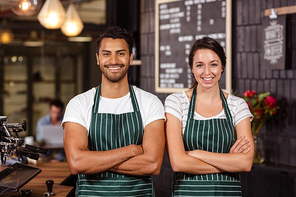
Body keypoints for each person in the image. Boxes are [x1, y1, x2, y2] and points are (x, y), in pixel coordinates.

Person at [62, 26, 165, 196]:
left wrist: (94, 162)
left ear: (131, 58)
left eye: (121, 53)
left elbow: (152, 164)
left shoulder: (150, 103)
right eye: (106, 53)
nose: (113, 60)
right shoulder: (79, 104)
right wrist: (131, 151)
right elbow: (77, 164)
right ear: (98, 58)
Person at [164, 37, 254, 196]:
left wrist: (197, 154)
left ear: (222, 67)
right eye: (200, 65)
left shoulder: (237, 105)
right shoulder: (176, 102)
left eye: (213, 64)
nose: (207, 72)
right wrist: (229, 161)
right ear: (192, 68)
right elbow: (178, 163)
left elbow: (246, 163)